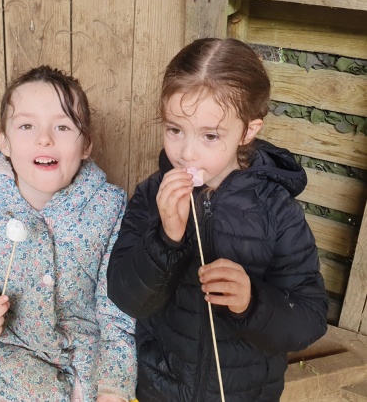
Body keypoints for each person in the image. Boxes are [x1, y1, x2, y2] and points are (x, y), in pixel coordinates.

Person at [107, 38, 328, 402]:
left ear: (248, 131)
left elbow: (310, 318)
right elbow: (126, 297)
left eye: (210, 136)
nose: (186, 153)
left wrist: (252, 303)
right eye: (174, 130)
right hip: (161, 390)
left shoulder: (277, 210)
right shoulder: (151, 197)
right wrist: (165, 239)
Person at [0, 66, 137, 402]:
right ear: (5, 142)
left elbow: (116, 308)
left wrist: (113, 387)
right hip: (1, 374)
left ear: (86, 145)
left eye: (63, 126)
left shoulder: (108, 208)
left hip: (86, 375)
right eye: (27, 126)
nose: (45, 138)